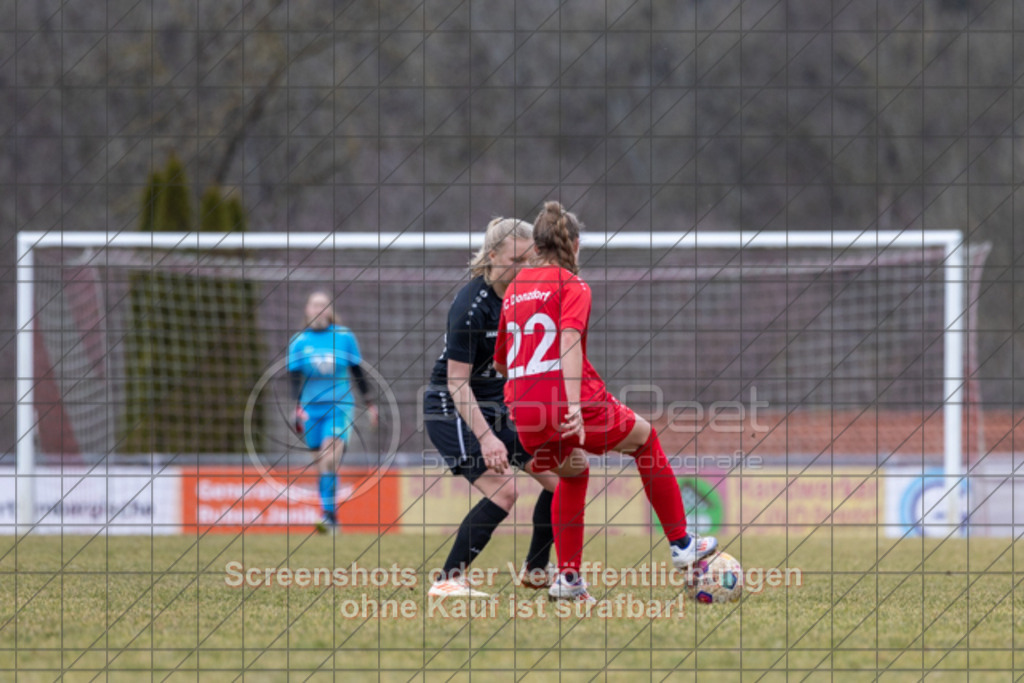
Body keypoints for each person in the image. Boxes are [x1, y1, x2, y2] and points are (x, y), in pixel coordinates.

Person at [495, 201, 718, 603]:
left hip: (522, 411)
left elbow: (501, 361)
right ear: (574, 245)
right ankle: (683, 544)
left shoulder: (513, 290)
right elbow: (566, 340)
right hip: (567, 402)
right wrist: (574, 406)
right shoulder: (573, 285)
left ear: (536, 246)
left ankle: (568, 580)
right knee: (646, 441)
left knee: (573, 472)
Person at [423, 217, 560, 598]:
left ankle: (535, 571)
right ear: (493, 255)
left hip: (497, 401)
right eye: (516, 259)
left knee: (560, 482)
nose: (524, 267)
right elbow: (456, 382)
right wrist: (487, 439)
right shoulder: (471, 306)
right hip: (452, 406)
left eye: (530, 259)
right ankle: (448, 580)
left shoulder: (525, 297)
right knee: (505, 493)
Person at [289, 291, 378, 532]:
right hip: (311, 411)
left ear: (329, 310)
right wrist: (296, 407)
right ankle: (331, 517)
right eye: (313, 304)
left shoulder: (344, 337)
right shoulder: (299, 341)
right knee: (321, 466)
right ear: (307, 310)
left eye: (322, 305)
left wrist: (369, 403)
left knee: (330, 459)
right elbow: (294, 378)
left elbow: (357, 371)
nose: (318, 309)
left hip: (339, 407)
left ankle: (328, 516)